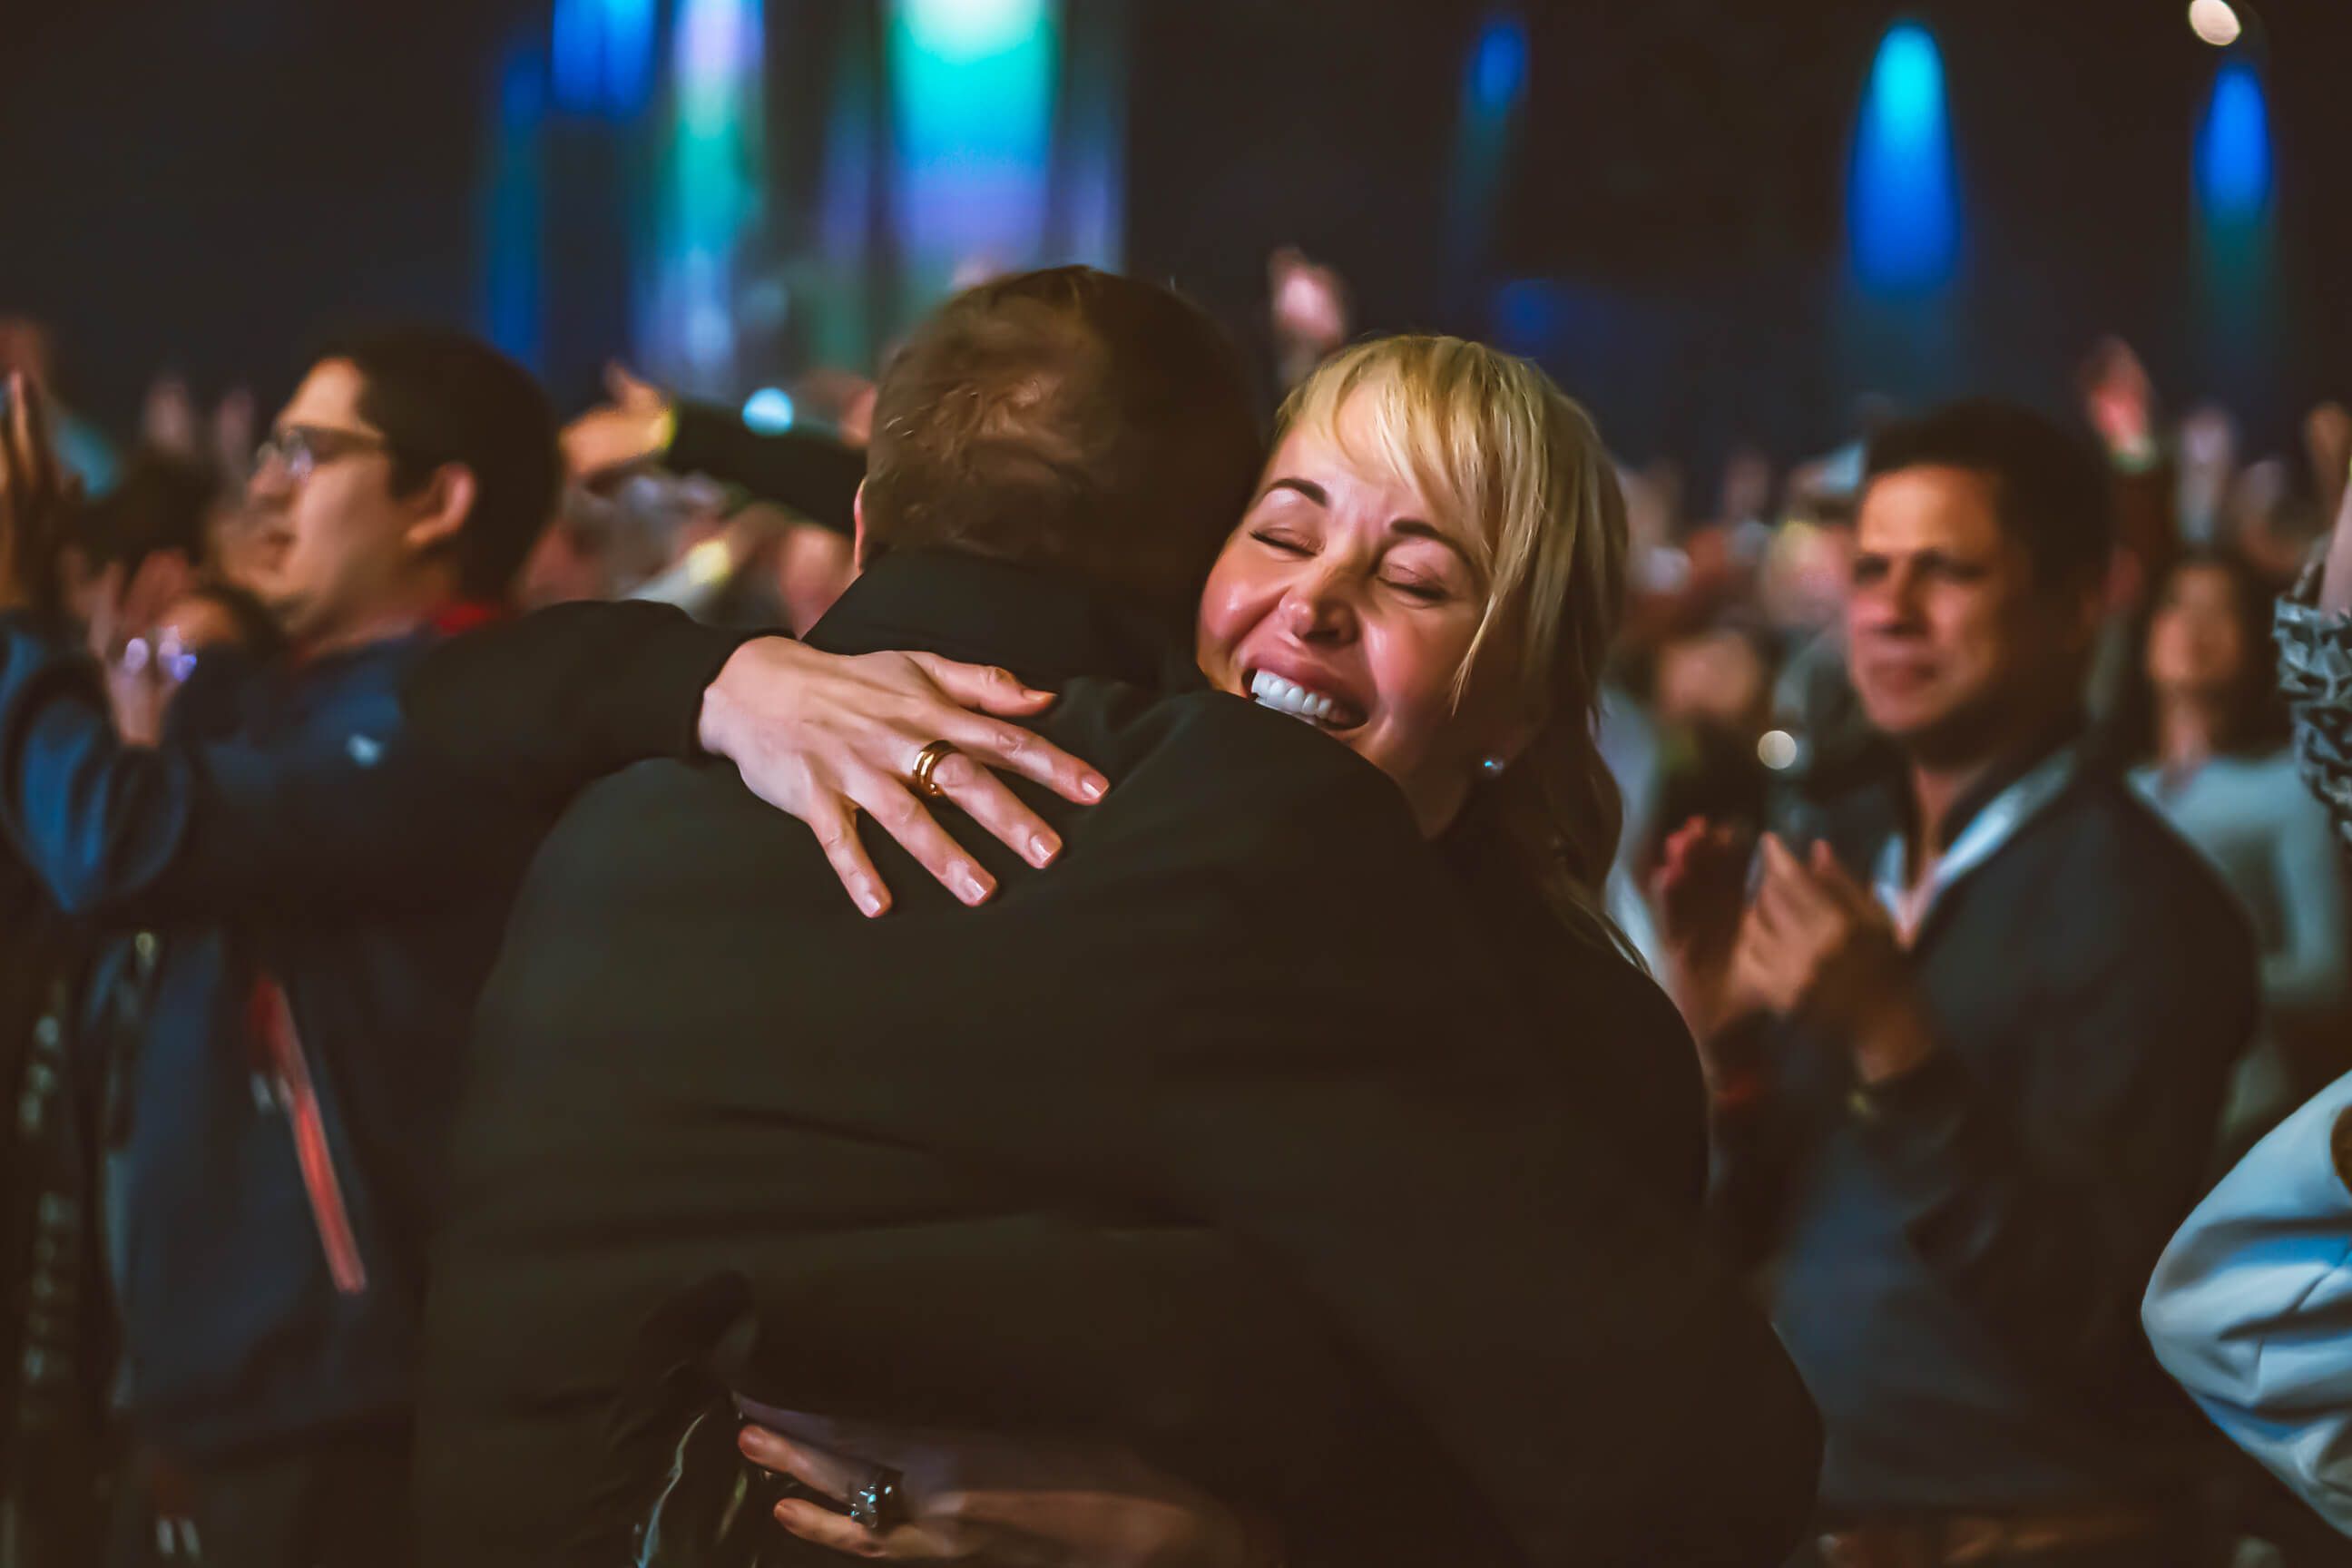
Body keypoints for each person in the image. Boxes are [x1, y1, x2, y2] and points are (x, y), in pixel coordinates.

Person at [407, 270, 1818, 1566]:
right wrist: (723, 685)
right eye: (1282, 531)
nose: (1316, 600)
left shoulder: (1569, 1032)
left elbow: (1646, 1470)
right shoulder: (1138, 836)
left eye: (1417, 576)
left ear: (1520, 694)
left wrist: (1236, 1539)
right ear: (1190, 569)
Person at [0, 336, 572, 1568]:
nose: (264, 485)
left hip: (330, 1408)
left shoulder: (449, 718)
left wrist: (12, 628)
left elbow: (116, 841)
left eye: (305, 453)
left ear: (439, 500)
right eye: (266, 453)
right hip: (213, 1398)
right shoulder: (297, 705)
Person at [1658, 400, 2257, 1567]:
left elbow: (2104, 1315)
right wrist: (1720, 1046)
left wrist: (1897, 1043)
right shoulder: (1839, 857)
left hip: (2045, 1535)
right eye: (1872, 568)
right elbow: (1750, 1238)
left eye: (1948, 571)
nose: (1889, 609)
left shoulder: (2147, 906)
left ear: (2082, 602)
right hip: (1821, 1520)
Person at [2131, 549, 2350, 1159]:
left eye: (2220, 611)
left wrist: (2197, 976)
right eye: (2176, 605)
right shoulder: (2118, 791)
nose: (2194, 627)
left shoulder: (2287, 787)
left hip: (2241, 1117)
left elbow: (2329, 974)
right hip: (2122, 1118)